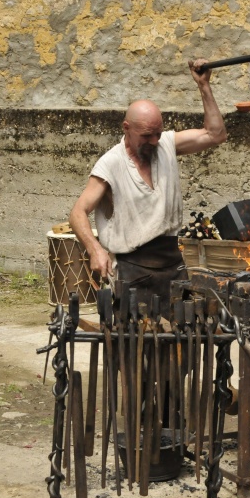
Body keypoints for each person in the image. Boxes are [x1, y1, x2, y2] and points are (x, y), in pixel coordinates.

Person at [70, 59, 226, 317]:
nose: (155, 141)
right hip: (133, 269)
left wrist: (204, 85)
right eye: (146, 136)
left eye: (158, 133)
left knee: (180, 345)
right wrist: (95, 249)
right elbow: (77, 212)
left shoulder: (166, 143)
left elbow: (215, 134)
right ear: (127, 128)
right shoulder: (111, 164)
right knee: (132, 347)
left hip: (172, 264)